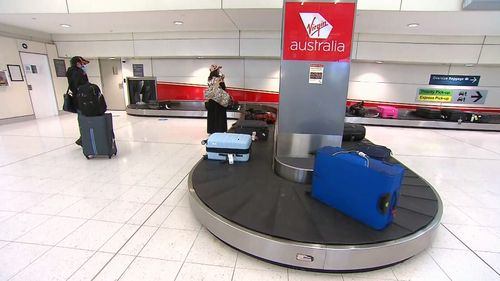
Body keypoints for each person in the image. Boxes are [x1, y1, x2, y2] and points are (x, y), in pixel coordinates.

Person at [66, 56, 89, 146]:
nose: (83, 65)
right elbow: (81, 85)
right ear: (77, 63)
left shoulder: (70, 71)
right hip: (82, 100)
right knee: (84, 118)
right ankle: (84, 138)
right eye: (81, 63)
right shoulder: (77, 72)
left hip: (77, 99)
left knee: (81, 118)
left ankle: (84, 137)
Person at [206, 65, 230, 134]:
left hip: (212, 99)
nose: (219, 71)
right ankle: (220, 129)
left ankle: (212, 130)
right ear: (215, 71)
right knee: (220, 115)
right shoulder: (219, 79)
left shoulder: (209, 79)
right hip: (219, 100)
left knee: (212, 115)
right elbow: (223, 87)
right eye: (218, 70)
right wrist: (222, 78)